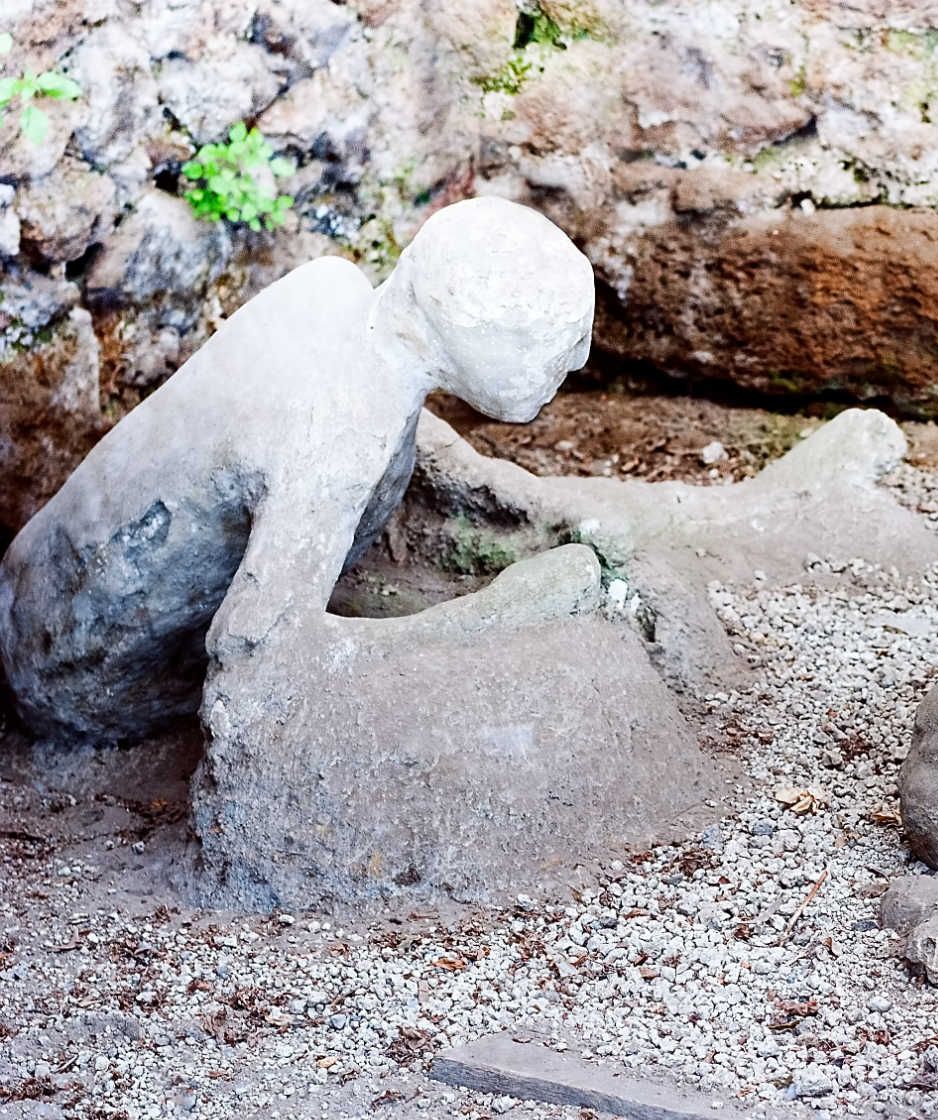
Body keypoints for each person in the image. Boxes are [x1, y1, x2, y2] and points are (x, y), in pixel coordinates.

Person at [0, 197, 595, 742]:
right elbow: (259, 662)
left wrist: (517, 503)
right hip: (80, 676)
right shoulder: (338, 446)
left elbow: (373, 428)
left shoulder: (334, 288)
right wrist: (507, 612)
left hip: (26, 577)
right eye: (554, 342)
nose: (580, 356)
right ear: (467, 330)